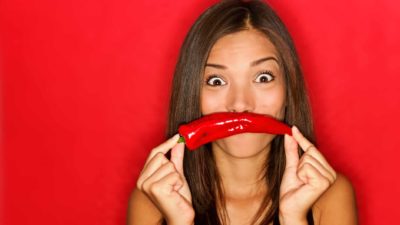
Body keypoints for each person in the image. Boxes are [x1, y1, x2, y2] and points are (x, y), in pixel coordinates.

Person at [127, 0, 358, 224]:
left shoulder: (329, 196)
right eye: (216, 81)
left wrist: (293, 220)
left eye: (263, 78)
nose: (240, 104)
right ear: (191, 94)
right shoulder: (153, 201)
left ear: (289, 90)